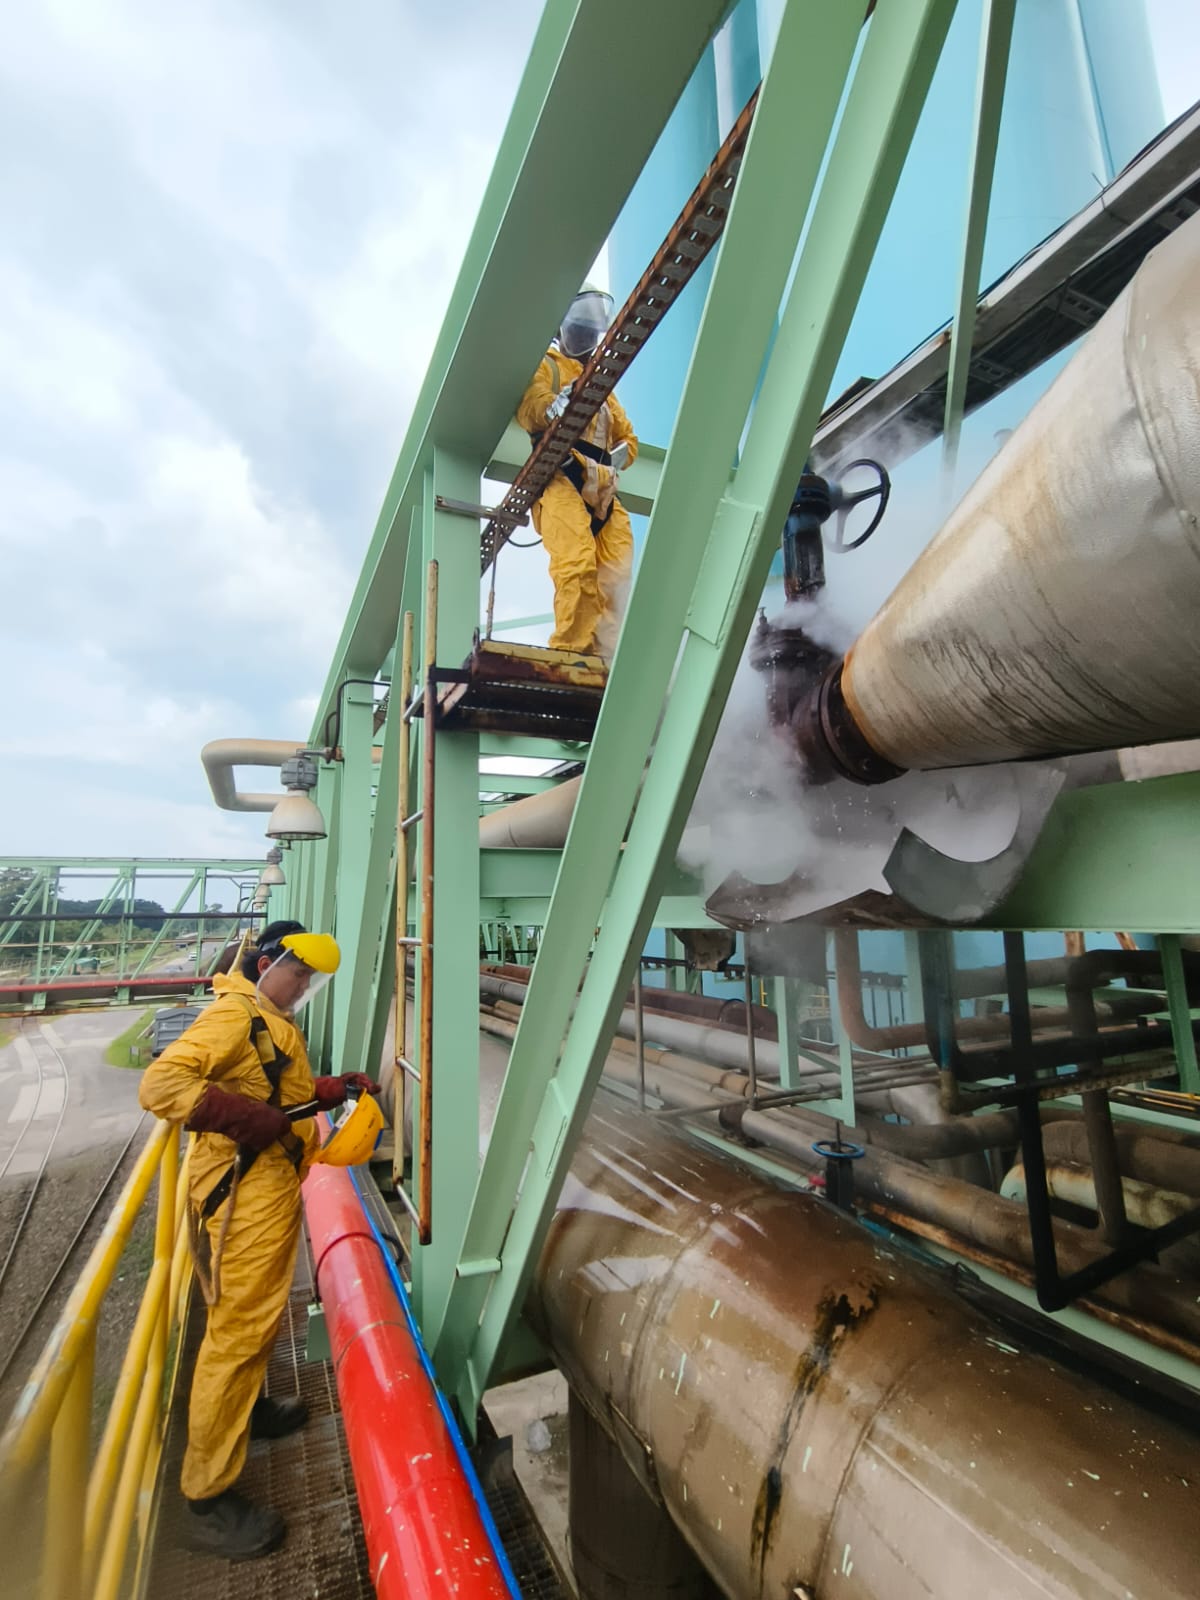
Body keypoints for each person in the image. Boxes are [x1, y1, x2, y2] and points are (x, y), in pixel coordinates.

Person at [139, 920, 380, 1561]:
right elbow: (161, 1086)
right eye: (297, 973)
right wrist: (251, 1120)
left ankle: (246, 1415)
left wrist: (326, 1091)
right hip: (242, 1199)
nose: (303, 986)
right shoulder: (234, 1015)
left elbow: (273, 1090)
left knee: (255, 1320)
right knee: (237, 1333)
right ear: (265, 962)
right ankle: (206, 1499)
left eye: (310, 979)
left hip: (263, 1193)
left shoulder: (266, 1017)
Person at [516, 283, 639, 659]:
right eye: (579, 331)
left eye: (589, 332)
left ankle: (608, 661)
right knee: (577, 566)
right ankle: (571, 654)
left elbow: (628, 440)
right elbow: (532, 405)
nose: (585, 339)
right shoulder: (548, 367)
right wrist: (554, 407)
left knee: (616, 578)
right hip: (560, 477)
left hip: (603, 488)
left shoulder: (604, 389)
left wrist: (613, 461)